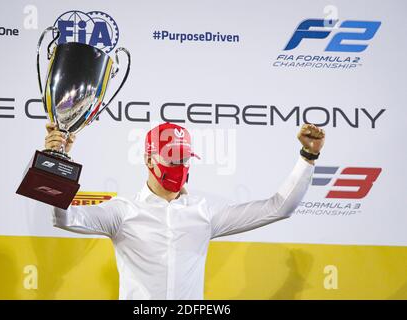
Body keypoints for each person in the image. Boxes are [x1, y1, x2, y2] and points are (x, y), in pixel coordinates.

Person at [44, 122, 325, 299]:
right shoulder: (123, 211)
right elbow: (63, 217)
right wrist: (56, 161)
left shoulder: (205, 213)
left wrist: (308, 157)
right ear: (148, 160)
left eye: (185, 158)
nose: (180, 166)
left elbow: (280, 208)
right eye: (172, 158)